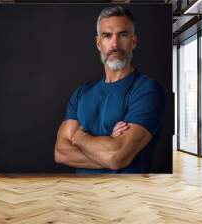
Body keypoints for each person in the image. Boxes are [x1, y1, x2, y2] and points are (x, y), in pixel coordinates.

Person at [54, 5, 166, 173]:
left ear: (133, 41)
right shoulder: (81, 93)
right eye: (107, 35)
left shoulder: (147, 90)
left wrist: (79, 137)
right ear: (98, 43)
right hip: (81, 196)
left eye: (123, 35)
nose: (115, 43)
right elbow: (60, 153)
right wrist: (108, 146)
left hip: (125, 196)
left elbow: (116, 156)